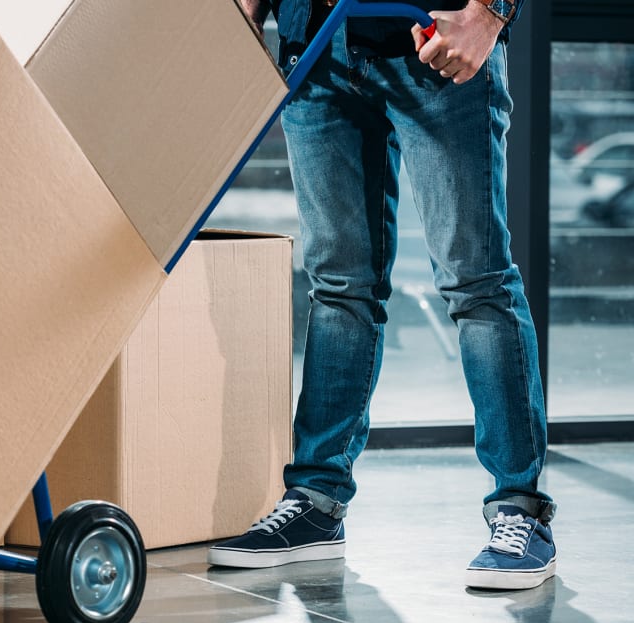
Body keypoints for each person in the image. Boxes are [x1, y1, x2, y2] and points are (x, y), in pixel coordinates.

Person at [208, 0, 557, 591]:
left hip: (433, 39)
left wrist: (493, 13)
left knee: (477, 283)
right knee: (339, 286)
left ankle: (519, 510)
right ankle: (316, 501)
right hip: (316, 48)